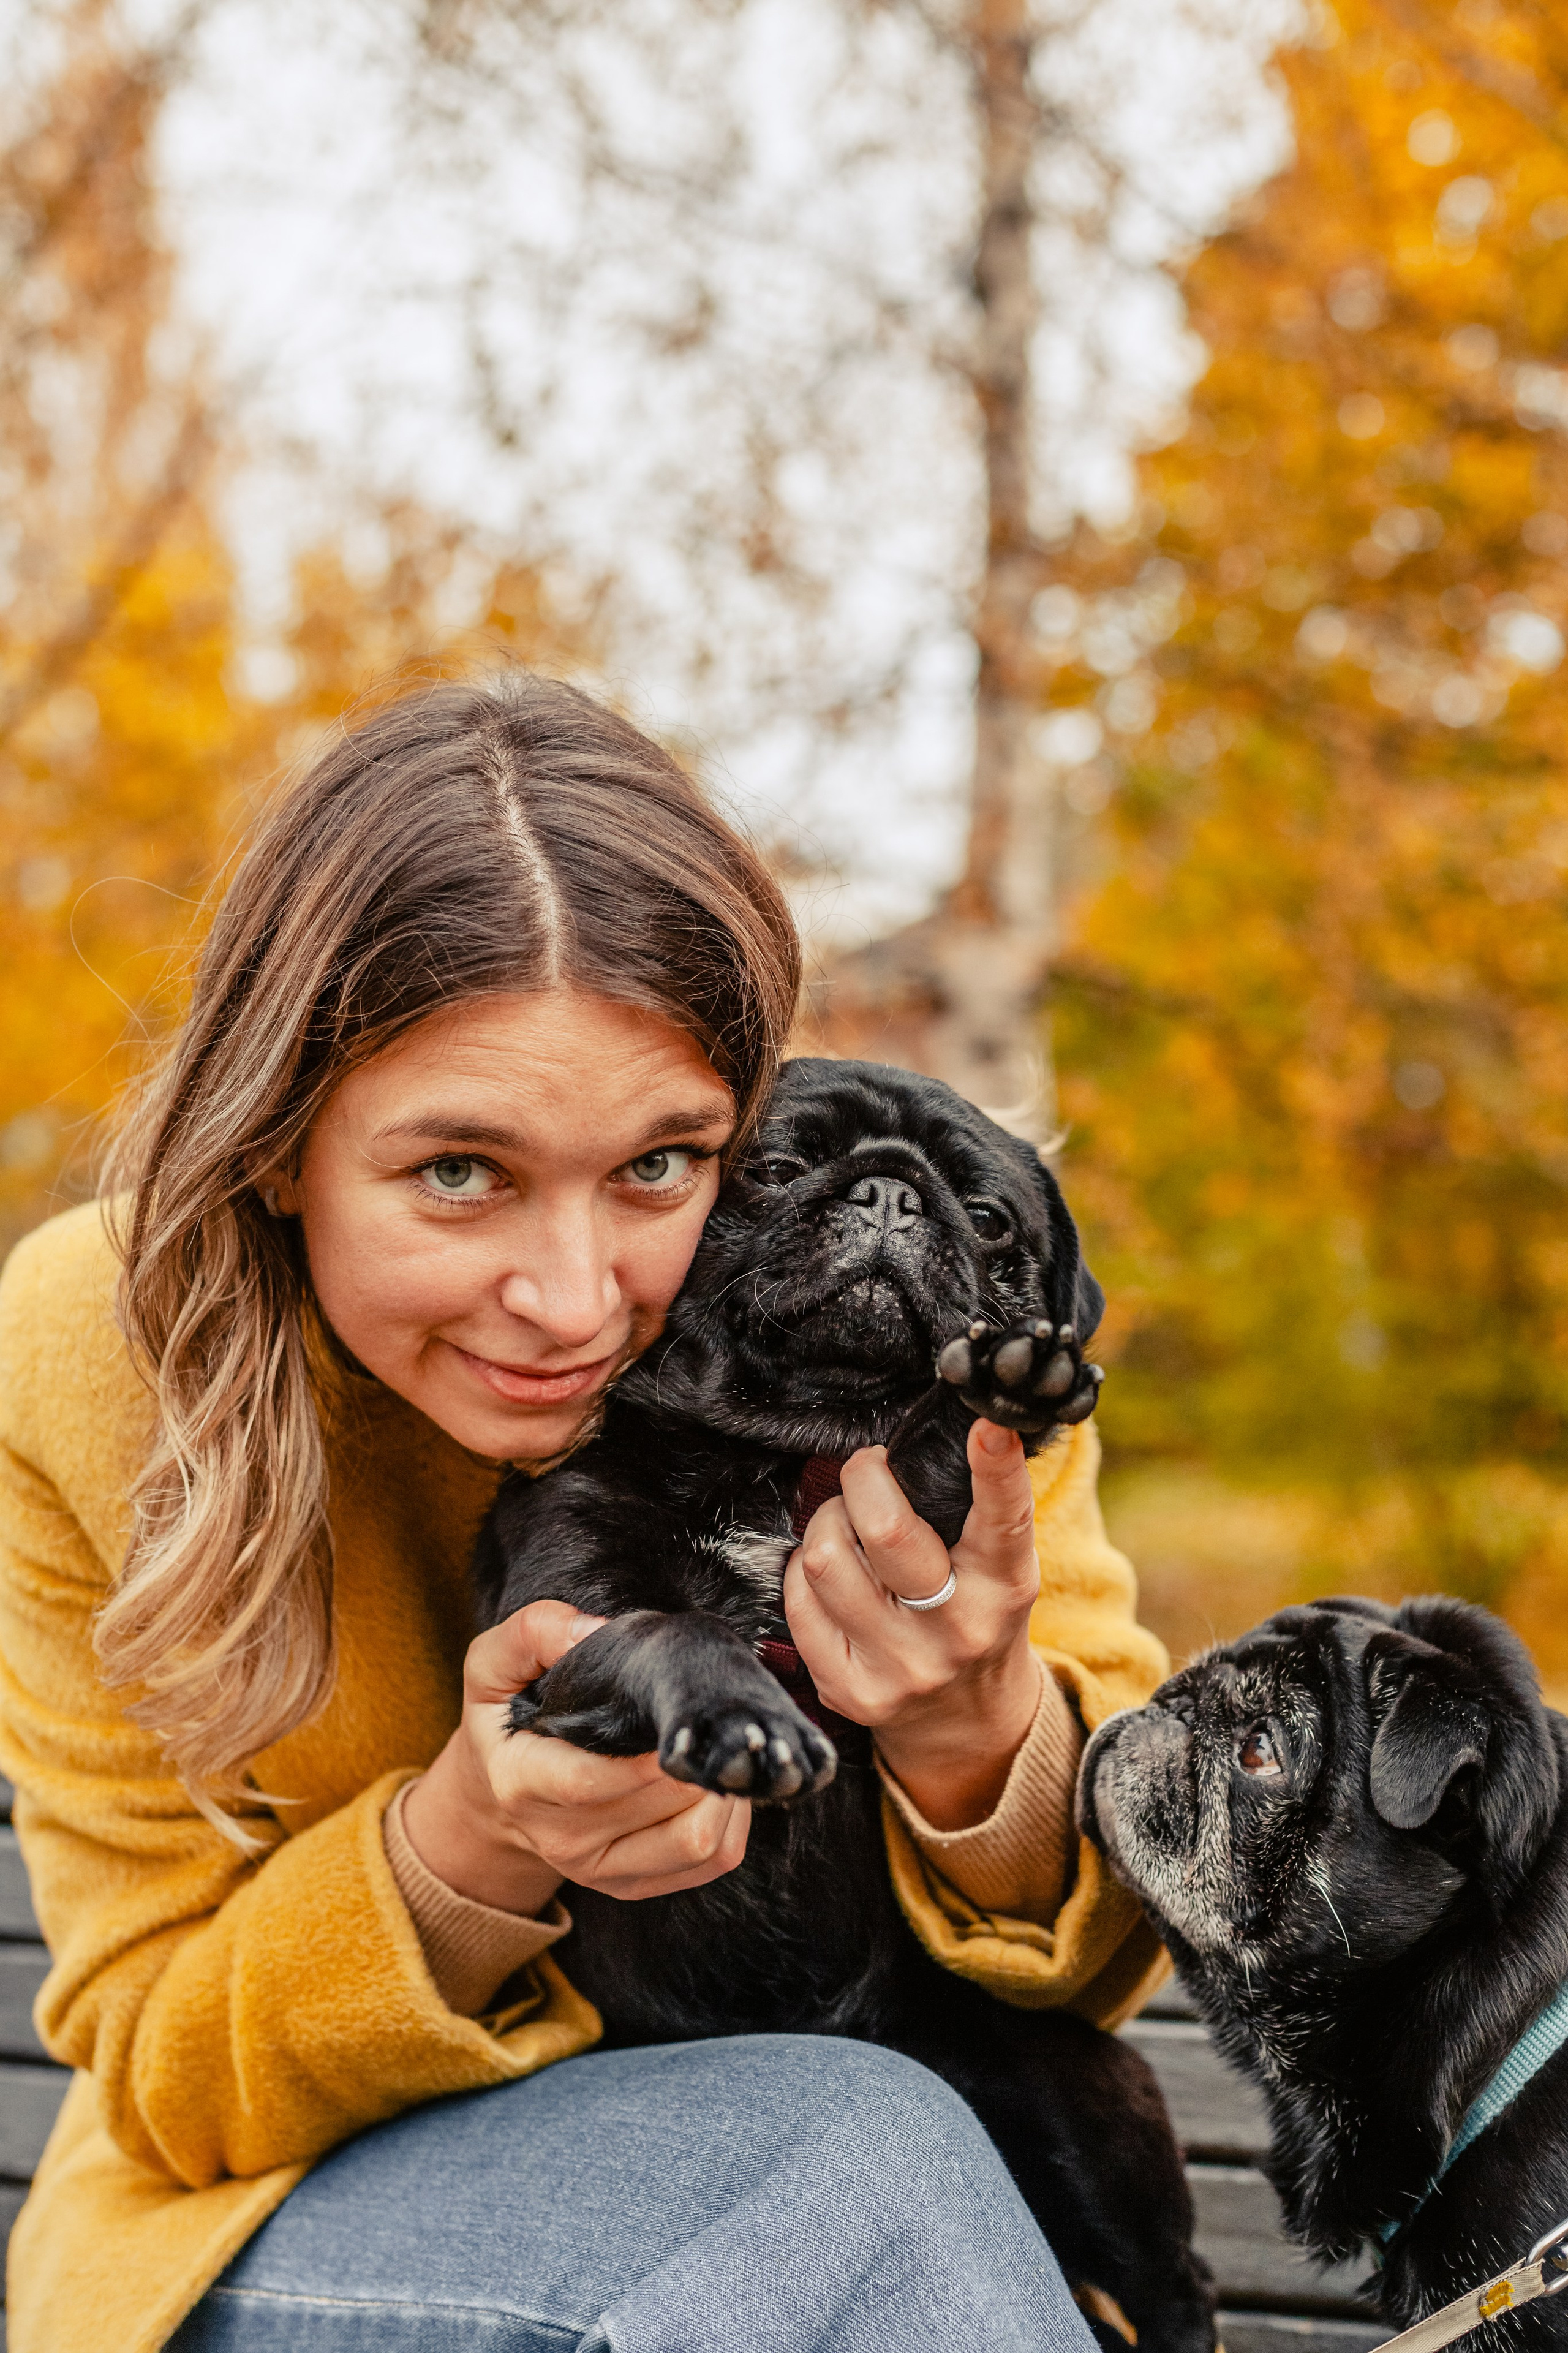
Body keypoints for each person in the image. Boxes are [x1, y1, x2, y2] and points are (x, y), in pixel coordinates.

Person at [0, 671, 1170, 2353]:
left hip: (841, 2215)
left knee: (856, 2167)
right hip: (291, 2222)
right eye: (459, 1172)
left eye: (661, 1164)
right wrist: (461, 1847)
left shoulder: (911, 1359)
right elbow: (163, 2073)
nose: (570, 1299)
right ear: (275, 1144)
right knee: (861, 2152)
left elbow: (1091, 1972)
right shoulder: (96, 1350)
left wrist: (984, 1744)